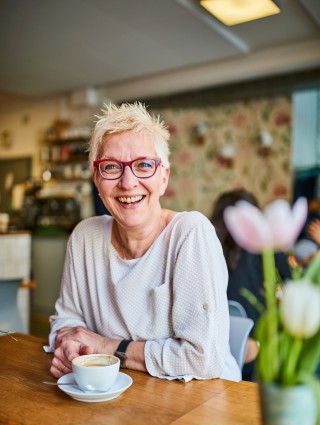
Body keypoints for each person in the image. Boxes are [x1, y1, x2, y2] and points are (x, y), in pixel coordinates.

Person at [48, 102, 241, 382]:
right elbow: (65, 320)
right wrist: (69, 342)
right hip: (118, 394)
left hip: (205, 400)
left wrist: (105, 347)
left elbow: (203, 359)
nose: (128, 182)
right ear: (96, 179)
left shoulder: (190, 233)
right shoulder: (84, 237)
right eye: (111, 167)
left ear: (164, 177)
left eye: (143, 165)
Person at [210, 189, 291, 381]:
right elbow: (290, 283)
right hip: (257, 347)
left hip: (217, 345)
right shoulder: (265, 248)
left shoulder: (208, 250)